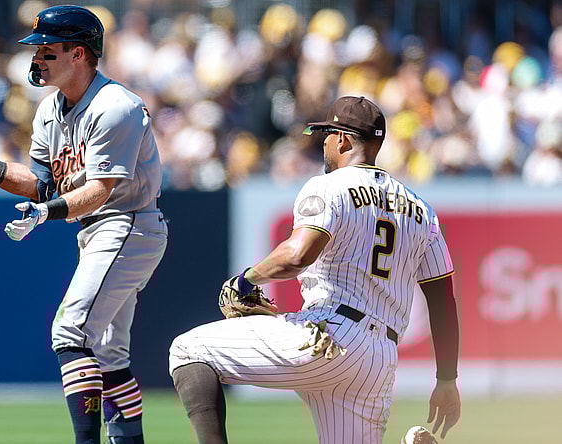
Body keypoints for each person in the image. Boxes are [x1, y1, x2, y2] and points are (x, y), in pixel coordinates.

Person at [0, 5, 167, 444]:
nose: (35, 58)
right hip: (99, 229)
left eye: (46, 50)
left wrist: (49, 212)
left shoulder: (115, 106)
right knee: (108, 353)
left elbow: (101, 190)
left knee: (70, 330)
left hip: (127, 223)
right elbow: (40, 184)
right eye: (36, 49)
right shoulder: (47, 111)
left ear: (78, 54)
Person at [168, 96, 461, 444]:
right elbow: (442, 299)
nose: (322, 142)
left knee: (188, 350)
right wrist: (446, 379)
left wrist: (247, 278)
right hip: (380, 360)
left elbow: (297, 255)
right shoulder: (422, 210)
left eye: (326, 134)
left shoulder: (330, 185)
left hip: (329, 337)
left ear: (343, 140)